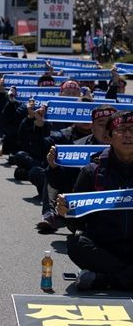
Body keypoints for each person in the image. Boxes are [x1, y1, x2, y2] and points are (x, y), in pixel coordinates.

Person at [56, 110, 133, 291]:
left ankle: (107, 280)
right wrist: (65, 211)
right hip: (105, 248)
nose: (128, 135)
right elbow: (77, 223)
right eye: (121, 129)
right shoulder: (93, 171)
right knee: (76, 245)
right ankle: (125, 277)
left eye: (132, 129)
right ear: (108, 136)